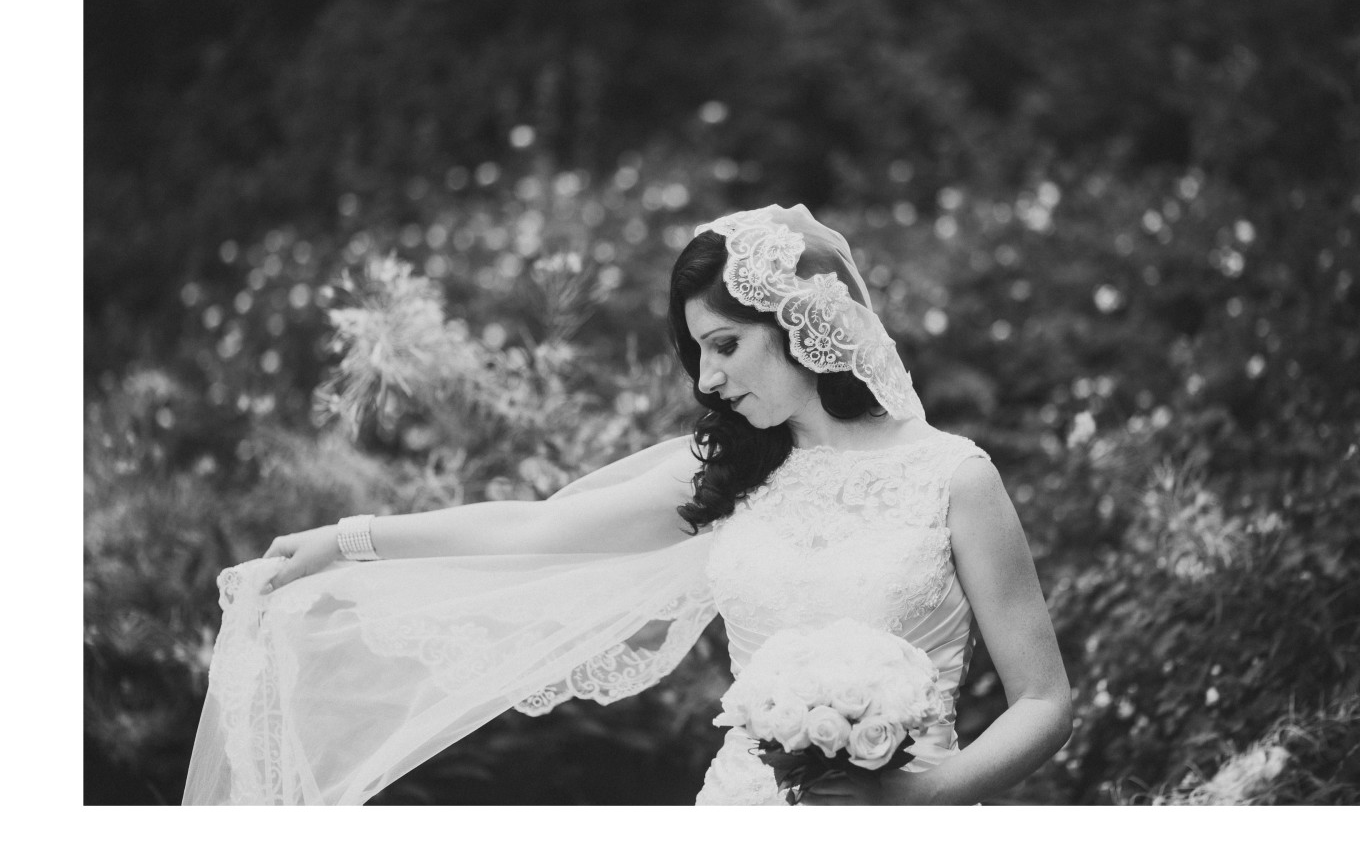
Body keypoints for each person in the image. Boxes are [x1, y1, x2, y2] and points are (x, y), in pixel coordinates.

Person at [182, 204, 1071, 806]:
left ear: (804, 322)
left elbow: (1042, 701)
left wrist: (917, 797)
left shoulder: (954, 478)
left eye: (725, 344)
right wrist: (348, 541)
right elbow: (535, 526)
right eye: (699, 355)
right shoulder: (727, 475)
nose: (711, 379)